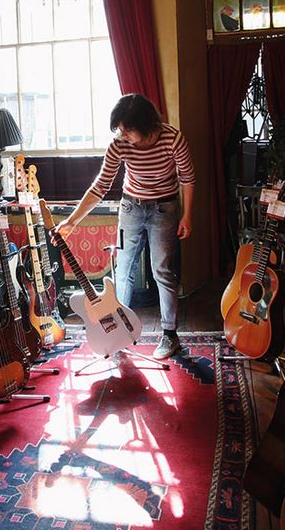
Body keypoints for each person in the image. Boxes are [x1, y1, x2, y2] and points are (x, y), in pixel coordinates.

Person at [57, 94, 196, 359]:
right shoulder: (119, 144)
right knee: (123, 270)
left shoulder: (173, 139)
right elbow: (100, 186)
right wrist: (72, 221)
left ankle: (169, 335)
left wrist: (187, 216)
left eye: (127, 129)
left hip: (164, 209)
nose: (122, 134)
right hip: (131, 207)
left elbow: (188, 179)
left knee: (162, 271)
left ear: (147, 126)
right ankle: (117, 331)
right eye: (119, 129)